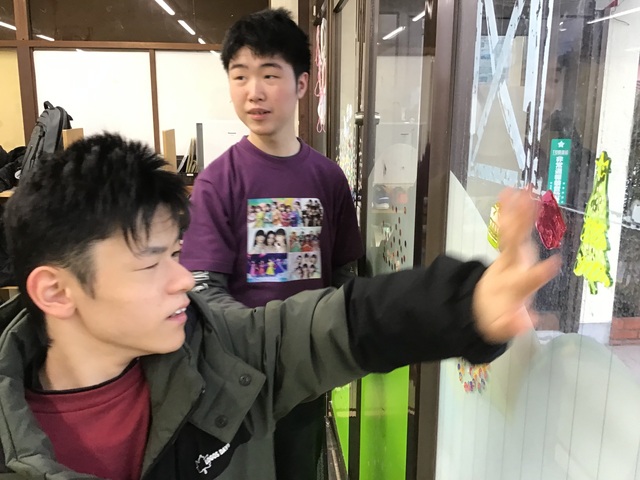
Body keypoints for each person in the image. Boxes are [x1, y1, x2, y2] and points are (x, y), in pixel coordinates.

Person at [0, 133, 559, 479]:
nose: (182, 280)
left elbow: (331, 324)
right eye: (151, 264)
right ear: (56, 291)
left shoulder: (214, 351)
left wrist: (464, 303)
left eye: (176, 254)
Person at [179, 8, 364, 479]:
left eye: (269, 74)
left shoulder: (328, 178)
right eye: (240, 75)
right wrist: (261, 346)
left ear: (301, 84)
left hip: (308, 373)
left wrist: (330, 346)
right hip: (240, 380)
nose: (253, 91)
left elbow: (344, 272)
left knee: (302, 465)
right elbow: (203, 288)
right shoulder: (218, 181)